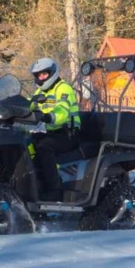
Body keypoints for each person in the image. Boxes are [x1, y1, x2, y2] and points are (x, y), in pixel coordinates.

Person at [29, 57, 81, 201]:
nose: (41, 78)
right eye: (38, 75)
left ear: (52, 73)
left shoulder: (63, 88)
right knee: (26, 142)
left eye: (44, 74)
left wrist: (48, 117)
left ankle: (54, 189)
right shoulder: (40, 92)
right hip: (51, 133)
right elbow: (29, 105)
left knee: (44, 147)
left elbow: (62, 111)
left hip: (68, 134)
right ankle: (34, 184)